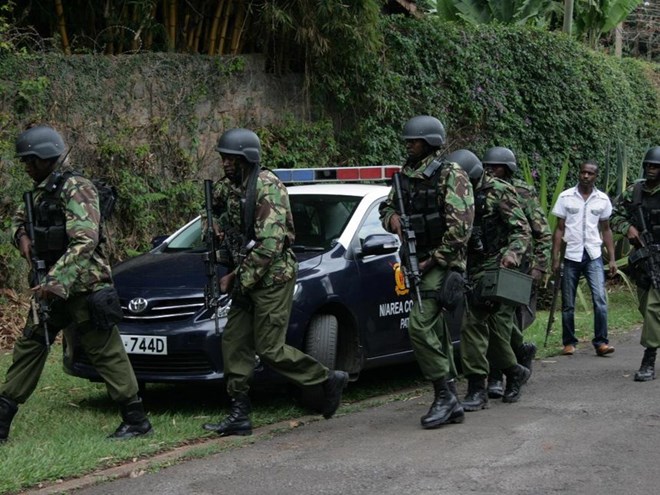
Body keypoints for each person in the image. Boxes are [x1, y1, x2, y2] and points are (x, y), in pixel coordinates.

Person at [0, 125, 152, 443]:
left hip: (84, 286)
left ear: (46, 158)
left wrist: (56, 281)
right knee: (31, 344)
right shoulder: (39, 193)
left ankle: (136, 420)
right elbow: (17, 220)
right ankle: (2, 417)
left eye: (30, 160)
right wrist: (22, 238)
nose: (26, 166)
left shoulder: (76, 188)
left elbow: (85, 239)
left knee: (105, 351)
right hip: (49, 287)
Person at [202, 128, 348, 437]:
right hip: (247, 275)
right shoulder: (228, 187)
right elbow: (209, 210)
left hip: (271, 278)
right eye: (223, 157)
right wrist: (213, 226)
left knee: (269, 348)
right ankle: (239, 412)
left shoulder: (268, 189)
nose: (225, 163)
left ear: (247, 159)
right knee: (234, 341)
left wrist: (234, 278)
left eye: (231, 158)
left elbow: (269, 246)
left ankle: (326, 379)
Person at [379, 116, 474, 429]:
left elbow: (460, 229)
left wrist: (431, 261)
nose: (409, 145)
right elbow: (386, 208)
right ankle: (450, 400)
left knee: (419, 325)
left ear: (431, 142)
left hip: (443, 263)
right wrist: (392, 219)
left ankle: (444, 393)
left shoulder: (451, 173)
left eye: (415, 141)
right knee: (435, 331)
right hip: (415, 258)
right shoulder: (404, 176)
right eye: (408, 140)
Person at [446, 149, 532, 409]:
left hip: (497, 268)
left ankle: (477, 388)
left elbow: (522, 230)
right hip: (470, 267)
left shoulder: (499, 191)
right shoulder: (453, 193)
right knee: (490, 331)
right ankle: (514, 371)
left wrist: (511, 256)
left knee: (474, 324)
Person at [481, 146, 552, 398]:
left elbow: (542, 231)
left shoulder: (522, 191)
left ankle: (502, 375)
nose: (490, 171)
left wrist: (540, 266)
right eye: (487, 166)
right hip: (489, 265)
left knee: (501, 319)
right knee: (499, 320)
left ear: (508, 169)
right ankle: (519, 353)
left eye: (496, 167)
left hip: (516, 265)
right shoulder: (482, 192)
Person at [551, 160, 617, 357]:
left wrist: (612, 258)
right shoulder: (565, 197)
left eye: (590, 173)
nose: (586, 176)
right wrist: (555, 258)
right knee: (569, 302)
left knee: (599, 299)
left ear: (596, 176)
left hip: (593, 255)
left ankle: (601, 342)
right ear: (579, 174)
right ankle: (569, 342)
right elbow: (559, 229)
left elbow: (606, 229)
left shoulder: (602, 199)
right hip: (571, 254)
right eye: (583, 173)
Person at [611, 147, 660, 381]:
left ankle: (648, 359)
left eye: (656, 166)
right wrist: (627, 228)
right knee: (645, 308)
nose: (651, 170)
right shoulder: (634, 191)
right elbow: (612, 215)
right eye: (649, 165)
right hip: (642, 258)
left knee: (653, 308)